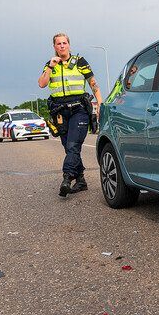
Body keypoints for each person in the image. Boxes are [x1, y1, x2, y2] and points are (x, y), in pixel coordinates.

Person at [38, 33, 102, 196]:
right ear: (54, 47)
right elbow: (42, 84)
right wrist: (51, 66)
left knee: (73, 146)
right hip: (60, 112)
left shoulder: (79, 61)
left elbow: (93, 83)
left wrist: (100, 104)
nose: (61, 46)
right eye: (58, 44)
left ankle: (67, 178)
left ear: (69, 45)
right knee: (68, 147)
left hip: (78, 110)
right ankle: (80, 180)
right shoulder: (50, 64)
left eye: (64, 43)